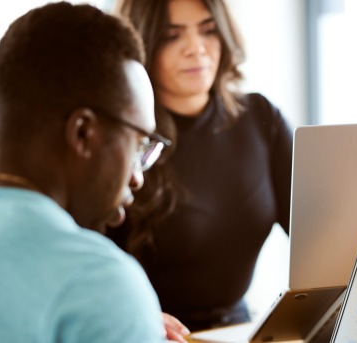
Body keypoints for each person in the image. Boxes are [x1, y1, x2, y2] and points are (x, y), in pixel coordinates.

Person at [0, 2, 186, 342]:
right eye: (138, 144)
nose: (138, 176)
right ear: (83, 133)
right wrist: (122, 315)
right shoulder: (99, 283)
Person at [109, 0, 294, 331]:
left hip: (238, 330)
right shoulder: (120, 139)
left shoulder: (261, 118)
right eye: (171, 36)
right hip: (152, 331)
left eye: (208, 30)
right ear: (144, 45)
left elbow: (317, 231)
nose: (196, 49)